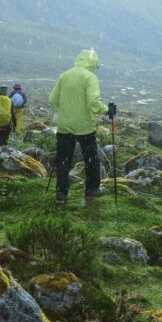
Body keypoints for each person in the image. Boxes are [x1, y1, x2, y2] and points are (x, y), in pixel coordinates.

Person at [48, 49, 116, 205]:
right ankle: (92, 189)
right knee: (91, 158)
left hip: (64, 126)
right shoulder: (90, 77)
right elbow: (93, 103)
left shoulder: (65, 75)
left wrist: (67, 108)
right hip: (84, 126)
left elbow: (53, 99)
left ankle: (61, 193)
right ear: (93, 64)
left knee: (63, 160)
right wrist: (107, 110)